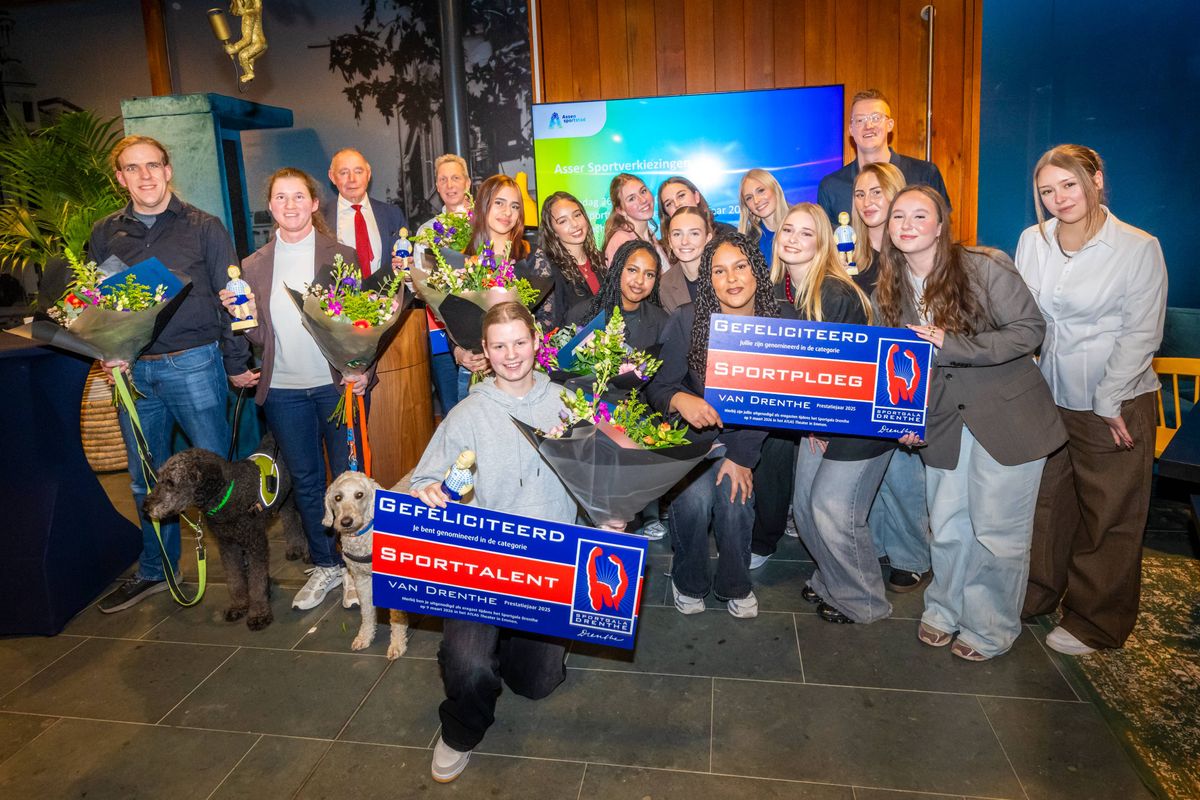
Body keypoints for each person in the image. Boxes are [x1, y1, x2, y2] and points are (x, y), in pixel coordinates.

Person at [875, 186, 1066, 660]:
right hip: (942, 421)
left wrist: (953, 345)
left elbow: (1029, 330)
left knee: (997, 532)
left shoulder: (983, 265)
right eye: (899, 216)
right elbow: (900, 365)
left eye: (921, 215)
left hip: (1008, 417)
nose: (907, 224)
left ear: (941, 225)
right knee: (949, 524)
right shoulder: (890, 285)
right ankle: (944, 609)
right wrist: (903, 416)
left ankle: (991, 628)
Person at [410, 301, 576, 783]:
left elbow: (597, 479)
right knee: (467, 666)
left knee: (537, 683)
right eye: (499, 345)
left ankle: (515, 652)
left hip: (548, 560)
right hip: (485, 561)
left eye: (519, 342)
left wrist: (609, 518)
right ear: (484, 350)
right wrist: (427, 489)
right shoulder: (468, 412)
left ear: (536, 342)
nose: (511, 354)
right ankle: (461, 728)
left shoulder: (566, 403)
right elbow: (426, 474)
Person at [91, 135, 256, 613]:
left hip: (195, 365)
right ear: (120, 178)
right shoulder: (105, 232)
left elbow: (234, 298)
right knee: (145, 483)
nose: (145, 176)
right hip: (135, 372)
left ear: (168, 170)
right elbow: (101, 303)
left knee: (217, 481)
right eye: (132, 168)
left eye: (153, 165)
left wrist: (234, 361)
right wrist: (109, 349)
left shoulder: (203, 226)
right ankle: (155, 571)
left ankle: (244, 573)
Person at [1017, 145, 1168, 656]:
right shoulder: (1032, 241)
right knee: (1047, 506)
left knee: (1110, 515)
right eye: (1047, 190)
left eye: (1069, 185)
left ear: (1096, 179)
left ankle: (1096, 621)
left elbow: (1141, 333)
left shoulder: (1137, 247)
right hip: (1049, 397)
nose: (1058, 198)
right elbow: (1025, 320)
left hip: (1115, 401)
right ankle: (1035, 594)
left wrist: (1108, 401)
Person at [218, 168, 367, 611]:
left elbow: (364, 319)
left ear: (314, 202)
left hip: (333, 386)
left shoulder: (342, 255)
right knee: (304, 480)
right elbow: (257, 335)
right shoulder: (252, 265)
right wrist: (237, 323)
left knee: (347, 481)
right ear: (271, 206)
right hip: (281, 389)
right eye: (280, 197)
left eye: (298, 196)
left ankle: (358, 568)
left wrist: (361, 368)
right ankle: (326, 566)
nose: (290, 205)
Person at [755, 204, 894, 625]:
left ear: (822, 243)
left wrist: (821, 422)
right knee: (806, 506)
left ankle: (865, 601)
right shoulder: (780, 290)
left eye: (805, 233)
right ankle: (833, 581)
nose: (792, 239)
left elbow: (852, 373)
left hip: (858, 421)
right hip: (817, 423)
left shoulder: (836, 292)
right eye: (787, 230)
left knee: (832, 508)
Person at [646, 232, 795, 619]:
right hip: (694, 438)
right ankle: (688, 580)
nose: (732, 279)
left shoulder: (781, 321)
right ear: (708, 280)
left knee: (733, 497)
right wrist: (681, 399)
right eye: (719, 271)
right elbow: (659, 386)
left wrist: (741, 457)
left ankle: (735, 583)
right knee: (693, 501)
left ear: (757, 272)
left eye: (741, 267)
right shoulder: (688, 319)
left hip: (749, 440)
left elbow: (777, 400)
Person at [849, 161, 932, 593]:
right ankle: (882, 544)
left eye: (877, 193)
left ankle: (913, 555)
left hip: (902, 373)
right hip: (864, 370)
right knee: (873, 468)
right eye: (860, 194)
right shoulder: (855, 254)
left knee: (902, 470)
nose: (867, 202)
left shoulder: (909, 251)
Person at [817, 89, 951, 227]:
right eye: (860, 120)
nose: (868, 126)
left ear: (890, 124)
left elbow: (943, 232)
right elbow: (826, 244)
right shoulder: (831, 186)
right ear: (851, 129)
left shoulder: (925, 174)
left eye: (876, 118)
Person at [452, 174, 533, 396]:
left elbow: (545, 321)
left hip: (524, 373)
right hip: (473, 375)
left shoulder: (531, 258)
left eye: (515, 206)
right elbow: (450, 321)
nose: (507, 212)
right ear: (483, 206)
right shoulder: (461, 261)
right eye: (499, 203)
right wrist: (460, 353)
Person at [415, 153, 473, 415]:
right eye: (443, 180)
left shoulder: (484, 223)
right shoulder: (426, 232)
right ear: (437, 187)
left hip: (482, 327)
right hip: (440, 327)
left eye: (456, 178)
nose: (450, 185)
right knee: (452, 407)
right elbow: (420, 284)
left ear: (468, 183)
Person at [323, 148, 409, 277]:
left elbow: (405, 265)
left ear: (368, 174)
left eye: (358, 171)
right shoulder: (320, 218)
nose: (352, 179)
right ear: (332, 177)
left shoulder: (393, 215)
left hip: (387, 295)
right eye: (344, 172)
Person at [568, 238, 667, 346]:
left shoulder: (661, 322)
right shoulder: (581, 313)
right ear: (618, 270)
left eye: (649, 275)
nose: (640, 281)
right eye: (632, 270)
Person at [530, 190, 605, 329]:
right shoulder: (550, 272)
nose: (575, 224)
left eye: (577, 215)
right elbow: (552, 327)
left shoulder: (601, 261)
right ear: (552, 231)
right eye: (563, 221)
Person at [601, 172, 669, 268]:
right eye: (632, 198)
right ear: (620, 210)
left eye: (643, 191)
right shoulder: (622, 242)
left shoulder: (648, 233)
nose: (643, 200)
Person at [658, 206, 713, 313]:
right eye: (677, 234)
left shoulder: (726, 275)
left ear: (707, 238)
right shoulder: (665, 284)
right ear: (669, 240)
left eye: (694, 233)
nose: (684, 242)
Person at [655, 175, 736, 238]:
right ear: (666, 214)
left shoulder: (728, 234)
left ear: (696, 197)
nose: (677, 204)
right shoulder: (663, 250)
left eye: (681, 196)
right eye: (669, 203)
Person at [737, 168, 789, 264]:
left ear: (775, 189)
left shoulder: (800, 225)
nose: (756, 200)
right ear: (747, 206)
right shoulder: (748, 240)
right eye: (749, 198)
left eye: (761, 191)